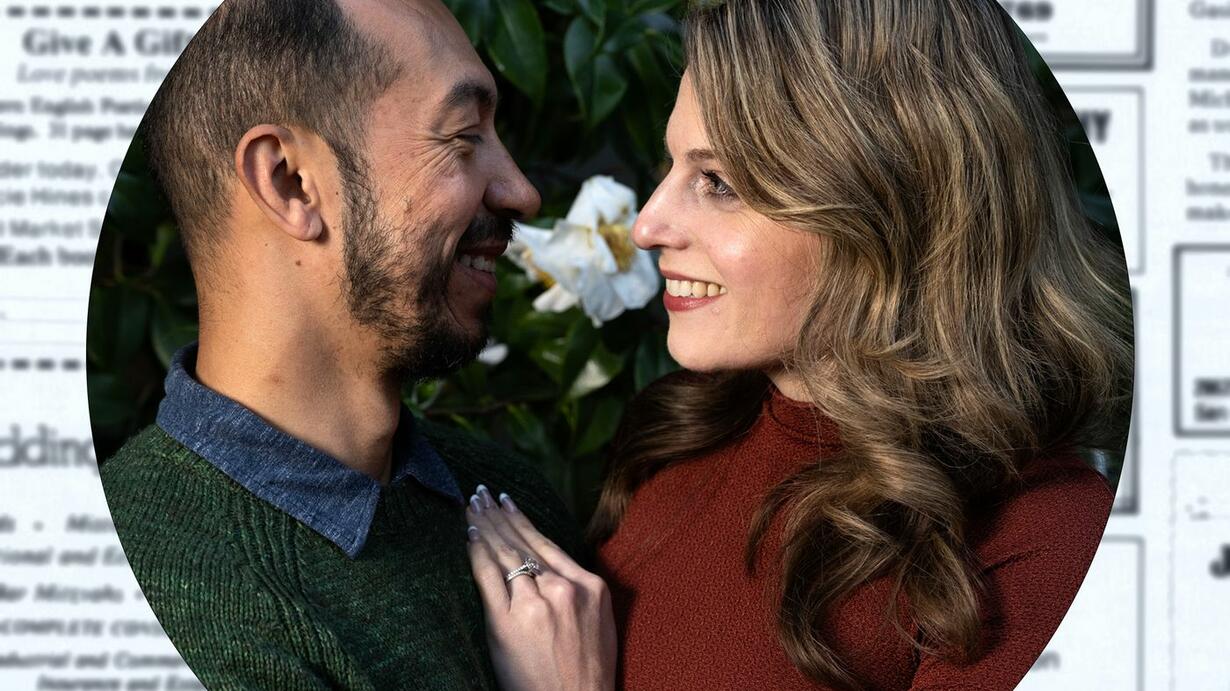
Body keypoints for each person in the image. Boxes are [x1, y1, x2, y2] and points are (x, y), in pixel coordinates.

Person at [463, 0, 1134, 689]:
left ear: (886, 205)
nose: (648, 225)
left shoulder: (1044, 543)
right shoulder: (682, 433)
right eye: (673, 166)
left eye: (718, 182)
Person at [97, 0, 585, 688]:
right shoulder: (146, 607)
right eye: (463, 135)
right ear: (290, 182)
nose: (521, 192)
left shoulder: (511, 506)